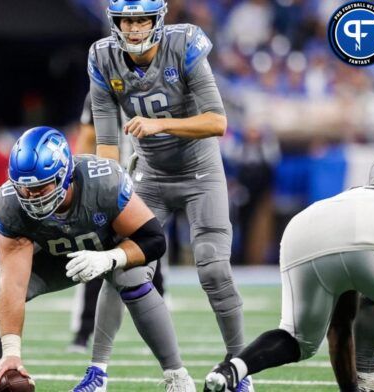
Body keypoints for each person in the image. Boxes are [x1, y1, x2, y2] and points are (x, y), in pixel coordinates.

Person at [83, 1, 250, 390]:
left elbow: (217, 121)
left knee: (213, 268)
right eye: (128, 19)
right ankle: (98, 372)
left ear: (158, 19)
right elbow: (107, 144)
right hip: (150, 178)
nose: (135, 27)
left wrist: (160, 125)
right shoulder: (103, 58)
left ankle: (241, 367)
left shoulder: (185, 45)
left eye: (142, 18)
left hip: (200, 173)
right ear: (116, 22)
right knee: (120, 267)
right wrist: (108, 192)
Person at [0, 126, 194, 392]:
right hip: (60, 257)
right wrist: (12, 352)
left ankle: (178, 376)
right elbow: (14, 284)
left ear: (64, 175)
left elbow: (154, 240)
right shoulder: (9, 204)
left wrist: (111, 259)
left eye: (41, 186)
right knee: (0, 285)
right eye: (25, 188)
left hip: (113, 248)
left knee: (131, 276)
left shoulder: (102, 181)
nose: (32, 196)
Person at [204, 147, 374, 392]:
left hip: (303, 228)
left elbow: (341, 324)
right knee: (372, 298)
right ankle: (366, 383)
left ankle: (230, 371)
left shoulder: (356, 194)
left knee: (296, 340)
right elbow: (372, 294)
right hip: (372, 234)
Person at [69, 92, 165, 354]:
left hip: (139, 182)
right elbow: (88, 137)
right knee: (100, 256)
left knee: (147, 255)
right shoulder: (102, 92)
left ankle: (153, 331)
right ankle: (85, 330)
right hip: (118, 184)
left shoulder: (155, 86)